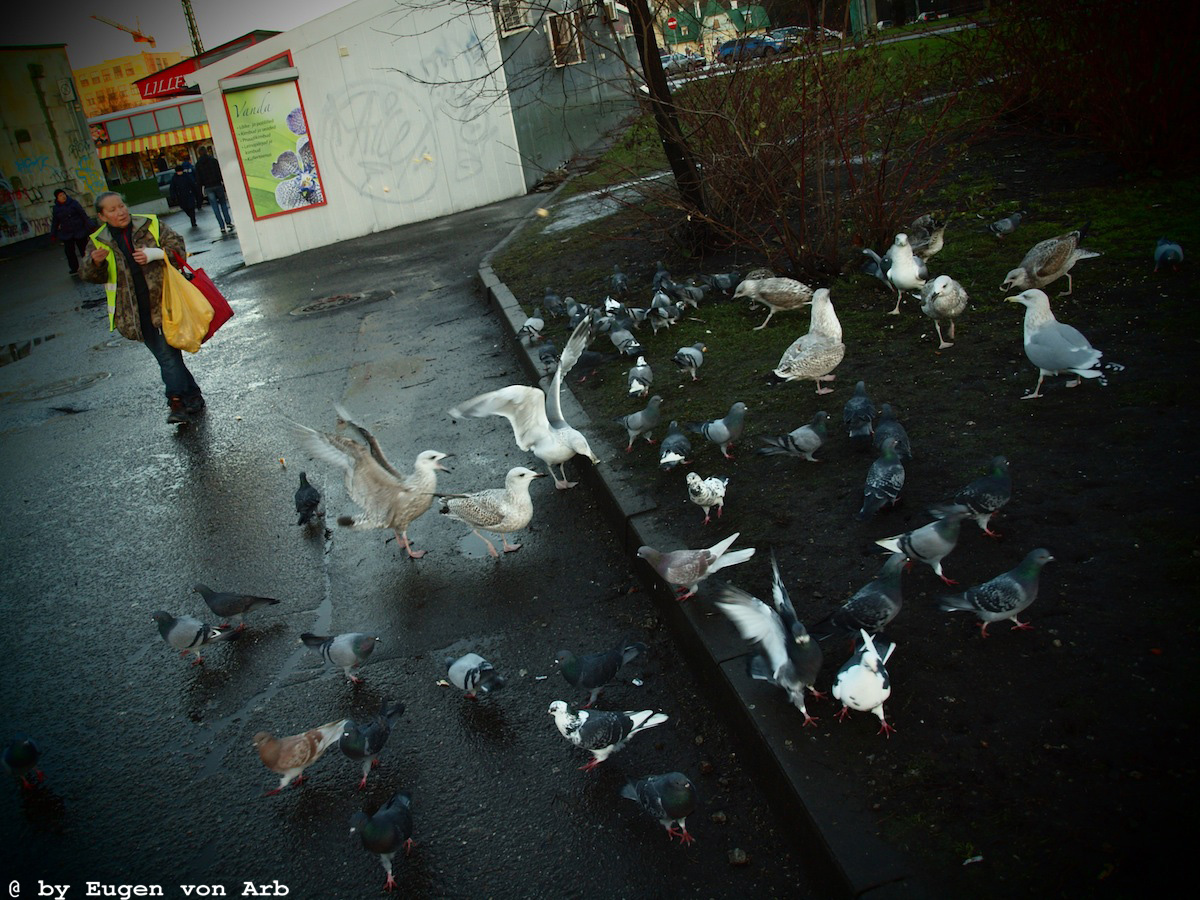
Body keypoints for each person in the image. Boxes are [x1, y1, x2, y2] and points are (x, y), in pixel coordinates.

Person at [79, 192, 205, 425]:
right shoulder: (98, 241)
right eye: (112, 209)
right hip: (134, 313)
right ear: (102, 216)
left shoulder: (150, 225)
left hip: (165, 303)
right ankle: (193, 395)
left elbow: (178, 250)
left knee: (167, 356)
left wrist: (155, 254)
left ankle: (176, 402)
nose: (121, 212)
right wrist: (95, 263)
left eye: (122, 205)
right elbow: (89, 275)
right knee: (167, 356)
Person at [49, 188, 92, 275]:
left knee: (84, 249)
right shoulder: (56, 208)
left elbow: (83, 215)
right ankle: (74, 268)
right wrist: (53, 234)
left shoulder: (74, 203)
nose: (63, 196)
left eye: (63, 194)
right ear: (57, 198)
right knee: (69, 251)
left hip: (79, 230)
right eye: (60, 195)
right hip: (67, 233)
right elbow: (55, 222)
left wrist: (90, 225)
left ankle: (88, 266)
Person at [194, 147, 234, 234]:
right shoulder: (214, 161)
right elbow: (220, 172)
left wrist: (200, 191)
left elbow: (198, 179)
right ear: (207, 152)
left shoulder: (198, 165)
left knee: (215, 207)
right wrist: (223, 183)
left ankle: (221, 226)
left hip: (208, 187)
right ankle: (228, 222)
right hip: (217, 184)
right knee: (223, 204)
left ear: (198, 154)